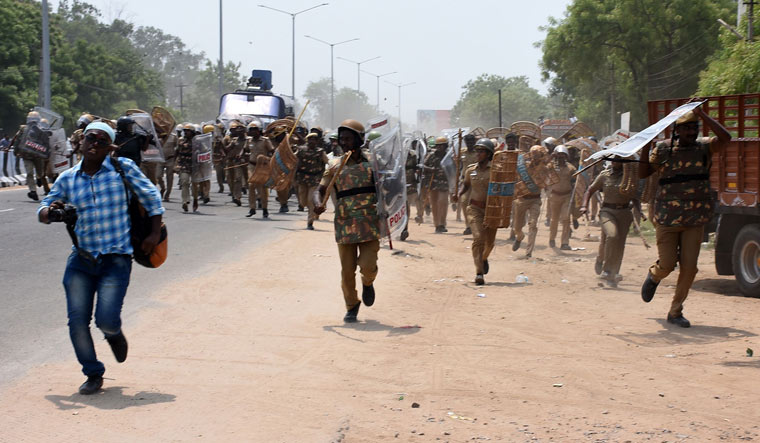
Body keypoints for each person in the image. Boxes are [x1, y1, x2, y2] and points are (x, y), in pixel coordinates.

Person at [37, 121, 164, 395]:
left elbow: (152, 198)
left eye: (102, 141)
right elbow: (44, 207)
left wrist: (154, 233)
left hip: (115, 259)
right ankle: (93, 372)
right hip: (81, 260)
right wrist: (50, 211)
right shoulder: (67, 178)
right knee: (77, 321)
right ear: (81, 141)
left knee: (106, 320)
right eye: (90, 138)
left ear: (109, 148)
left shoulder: (123, 170)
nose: (95, 143)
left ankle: (113, 334)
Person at [639, 107, 731, 327]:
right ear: (677, 131)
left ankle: (675, 311)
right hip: (667, 218)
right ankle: (654, 276)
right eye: (687, 128)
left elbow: (726, 138)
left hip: (694, 219)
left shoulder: (705, 147)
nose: (692, 133)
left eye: (694, 128)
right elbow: (643, 173)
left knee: (690, 268)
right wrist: (644, 148)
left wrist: (702, 115)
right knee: (668, 264)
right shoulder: (662, 150)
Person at [314, 119, 380, 323]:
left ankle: (368, 283)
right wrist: (318, 203)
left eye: (348, 139)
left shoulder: (373, 163)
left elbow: (388, 188)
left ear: (359, 140)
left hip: (369, 222)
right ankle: (351, 305)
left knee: (368, 265)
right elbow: (320, 190)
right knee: (347, 270)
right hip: (345, 223)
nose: (344, 143)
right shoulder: (333, 165)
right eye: (342, 139)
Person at [580, 158, 635, 287]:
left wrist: (639, 210)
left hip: (625, 212)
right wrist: (584, 205)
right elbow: (590, 190)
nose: (615, 163)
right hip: (607, 211)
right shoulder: (604, 175)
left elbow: (635, 194)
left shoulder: (629, 177)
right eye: (613, 160)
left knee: (620, 244)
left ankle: (614, 273)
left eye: (619, 161)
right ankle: (607, 270)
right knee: (612, 235)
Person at [454, 138, 496, 285]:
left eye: (481, 151)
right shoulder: (470, 169)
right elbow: (465, 185)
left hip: (492, 210)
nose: (478, 153)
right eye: (477, 151)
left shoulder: (496, 170)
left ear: (489, 153)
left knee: (490, 243)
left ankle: (483, 258)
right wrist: (458, 193)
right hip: (474, 208)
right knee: (478, 239)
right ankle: (479, 273)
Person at [512, 145, 550, 258]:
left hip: (535, 200)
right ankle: (519, 237)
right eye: (534, 155)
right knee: (517, 227)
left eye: (538, 155)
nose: (535, 158)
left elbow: (544, 183)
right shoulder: (524, 167)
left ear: (542, 157)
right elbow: (516, 177)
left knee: (533, 225)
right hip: (522, 199)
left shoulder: (545, 169)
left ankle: (528, 252)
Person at [296, 132, 329, 229]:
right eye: (310, 139)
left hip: (315, 179)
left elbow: (328, 161)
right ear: (307, 140)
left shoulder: (320, 152)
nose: (312, 141)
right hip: (302, 179)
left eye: (314, 139)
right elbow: (293, 158)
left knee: (311, 200)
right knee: (303, 202)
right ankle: (309, 211)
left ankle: (310, 222)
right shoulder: (301, 150)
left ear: (317, 141)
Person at [13, 111, 49, 201]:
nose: (32, 122)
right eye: (31, 120)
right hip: (26, 155)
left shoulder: (42, 129)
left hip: (38, 156)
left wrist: (47, 153)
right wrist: (15, 150)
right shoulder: (23, 129)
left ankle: (39, 178)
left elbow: (46, 143)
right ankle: (33, 191)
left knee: (40, 173)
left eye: (34, 120)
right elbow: (18, 140)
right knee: (29, 173)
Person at [244, 121, 274, 218]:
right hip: (252, 166)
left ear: (259, 130)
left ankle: (265, 209)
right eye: (251, 130)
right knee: (251, 185)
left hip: (263, 167)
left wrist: (268, 159)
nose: (253, 132)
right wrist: (241, 156)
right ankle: (252, 208)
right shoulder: (248, 141)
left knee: (262, 188)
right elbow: (245, 150)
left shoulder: (265, 140)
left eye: (255, 129)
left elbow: (272, 151)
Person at [548, 145, 575, 250]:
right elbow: (543, 168)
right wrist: (550, 157)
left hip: (566, 196)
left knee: (566, 219)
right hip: (554, 196)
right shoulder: (551, 167)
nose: (560, 157)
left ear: (566, 156)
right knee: (554, 219)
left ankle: (564, 242)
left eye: (563, 155)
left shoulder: (571, 168)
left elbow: (575, 181)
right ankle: (552, 238)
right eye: (558, 155)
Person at [422, 136, 451, 233]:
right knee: (434, 204)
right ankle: (437, 224)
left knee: (442, 202)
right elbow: (423, 165)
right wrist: (431, 169)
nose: (440, 148)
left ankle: (442, 223)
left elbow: (454, 168)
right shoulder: (431, 155)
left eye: (442, 145)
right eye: (438, 146)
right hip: (433, 182)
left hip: (444, 183)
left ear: (445, 146)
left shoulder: (449, 156)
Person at [401, 139, 422, 240]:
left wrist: (417, 172)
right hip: (399, 185)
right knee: (402, 208)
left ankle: (405, 228)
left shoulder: (413, 156)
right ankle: (401, 228)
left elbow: (416, 167)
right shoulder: (397, 156)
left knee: (410, 204)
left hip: (410, 183)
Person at [458, 133, 479, 234]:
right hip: (465, 181)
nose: (470, 144)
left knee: (476, 204)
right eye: (468, 142)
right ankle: (468, 226)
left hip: (477, 181)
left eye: (471, 142)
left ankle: (477, 224)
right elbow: (459, 165)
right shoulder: (461, 152)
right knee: (464, 201)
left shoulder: (479, 152)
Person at [223, 121, 247, 206]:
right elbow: (226, 149)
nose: (239, 132)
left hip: (246, 163)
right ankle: (236, 196)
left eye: (241, 130)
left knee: (245, 180)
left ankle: (258, 197)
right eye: (238, 130)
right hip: (235, 162)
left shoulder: (249, 140)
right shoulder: (234, 140)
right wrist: (221, 145)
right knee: (234, 179)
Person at [175, 123, 195, 212]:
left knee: (194, 185)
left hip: (195, 165)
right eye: (185, 131)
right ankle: (184, 201)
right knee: (184, 182)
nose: (186, 133)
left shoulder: (197, 141)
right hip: (184, 165)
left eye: (188, 131)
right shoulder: (180, 141)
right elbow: (176, 152)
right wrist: (174, 164)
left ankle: (195, 200)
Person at [157, 126, 178, 202]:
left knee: (169, 177)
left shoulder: (173, 136)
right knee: (158, 175)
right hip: (160, 159)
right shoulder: (157, 136)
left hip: (170, 159)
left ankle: (167, 195)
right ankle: (162, 187)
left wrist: (176, 160)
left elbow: (177, 148)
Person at [212, 123, 226, 194]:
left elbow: (225, 148)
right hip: (217, 158)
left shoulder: (226, 137)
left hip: (225, 158)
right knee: (219, 173)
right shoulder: (213, 139)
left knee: (225, 173)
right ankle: (221, 187)